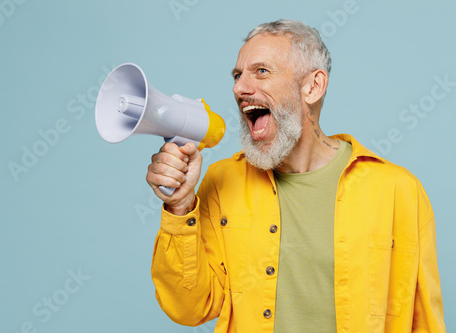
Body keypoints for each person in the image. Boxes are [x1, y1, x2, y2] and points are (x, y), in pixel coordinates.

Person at [146, 19, 446, 333]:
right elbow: (189, 308)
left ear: (313, 86)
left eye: (261, 71)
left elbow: (423, 319)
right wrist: (180, 207)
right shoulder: (222, 181)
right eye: (238, 75)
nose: (239, 88)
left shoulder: (398, 190)